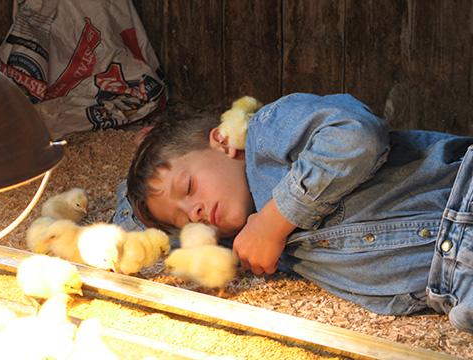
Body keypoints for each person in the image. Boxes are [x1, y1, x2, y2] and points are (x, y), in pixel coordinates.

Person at [112, 93, 473, 332]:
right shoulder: (245, 246)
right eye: (184, 217)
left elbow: (355, 135)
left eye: (188, 187)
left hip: (461, 197)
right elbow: (145, 242)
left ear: (222, 141)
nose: (195, 210)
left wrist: (275, 220)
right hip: (454, 286)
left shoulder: (266, 135)